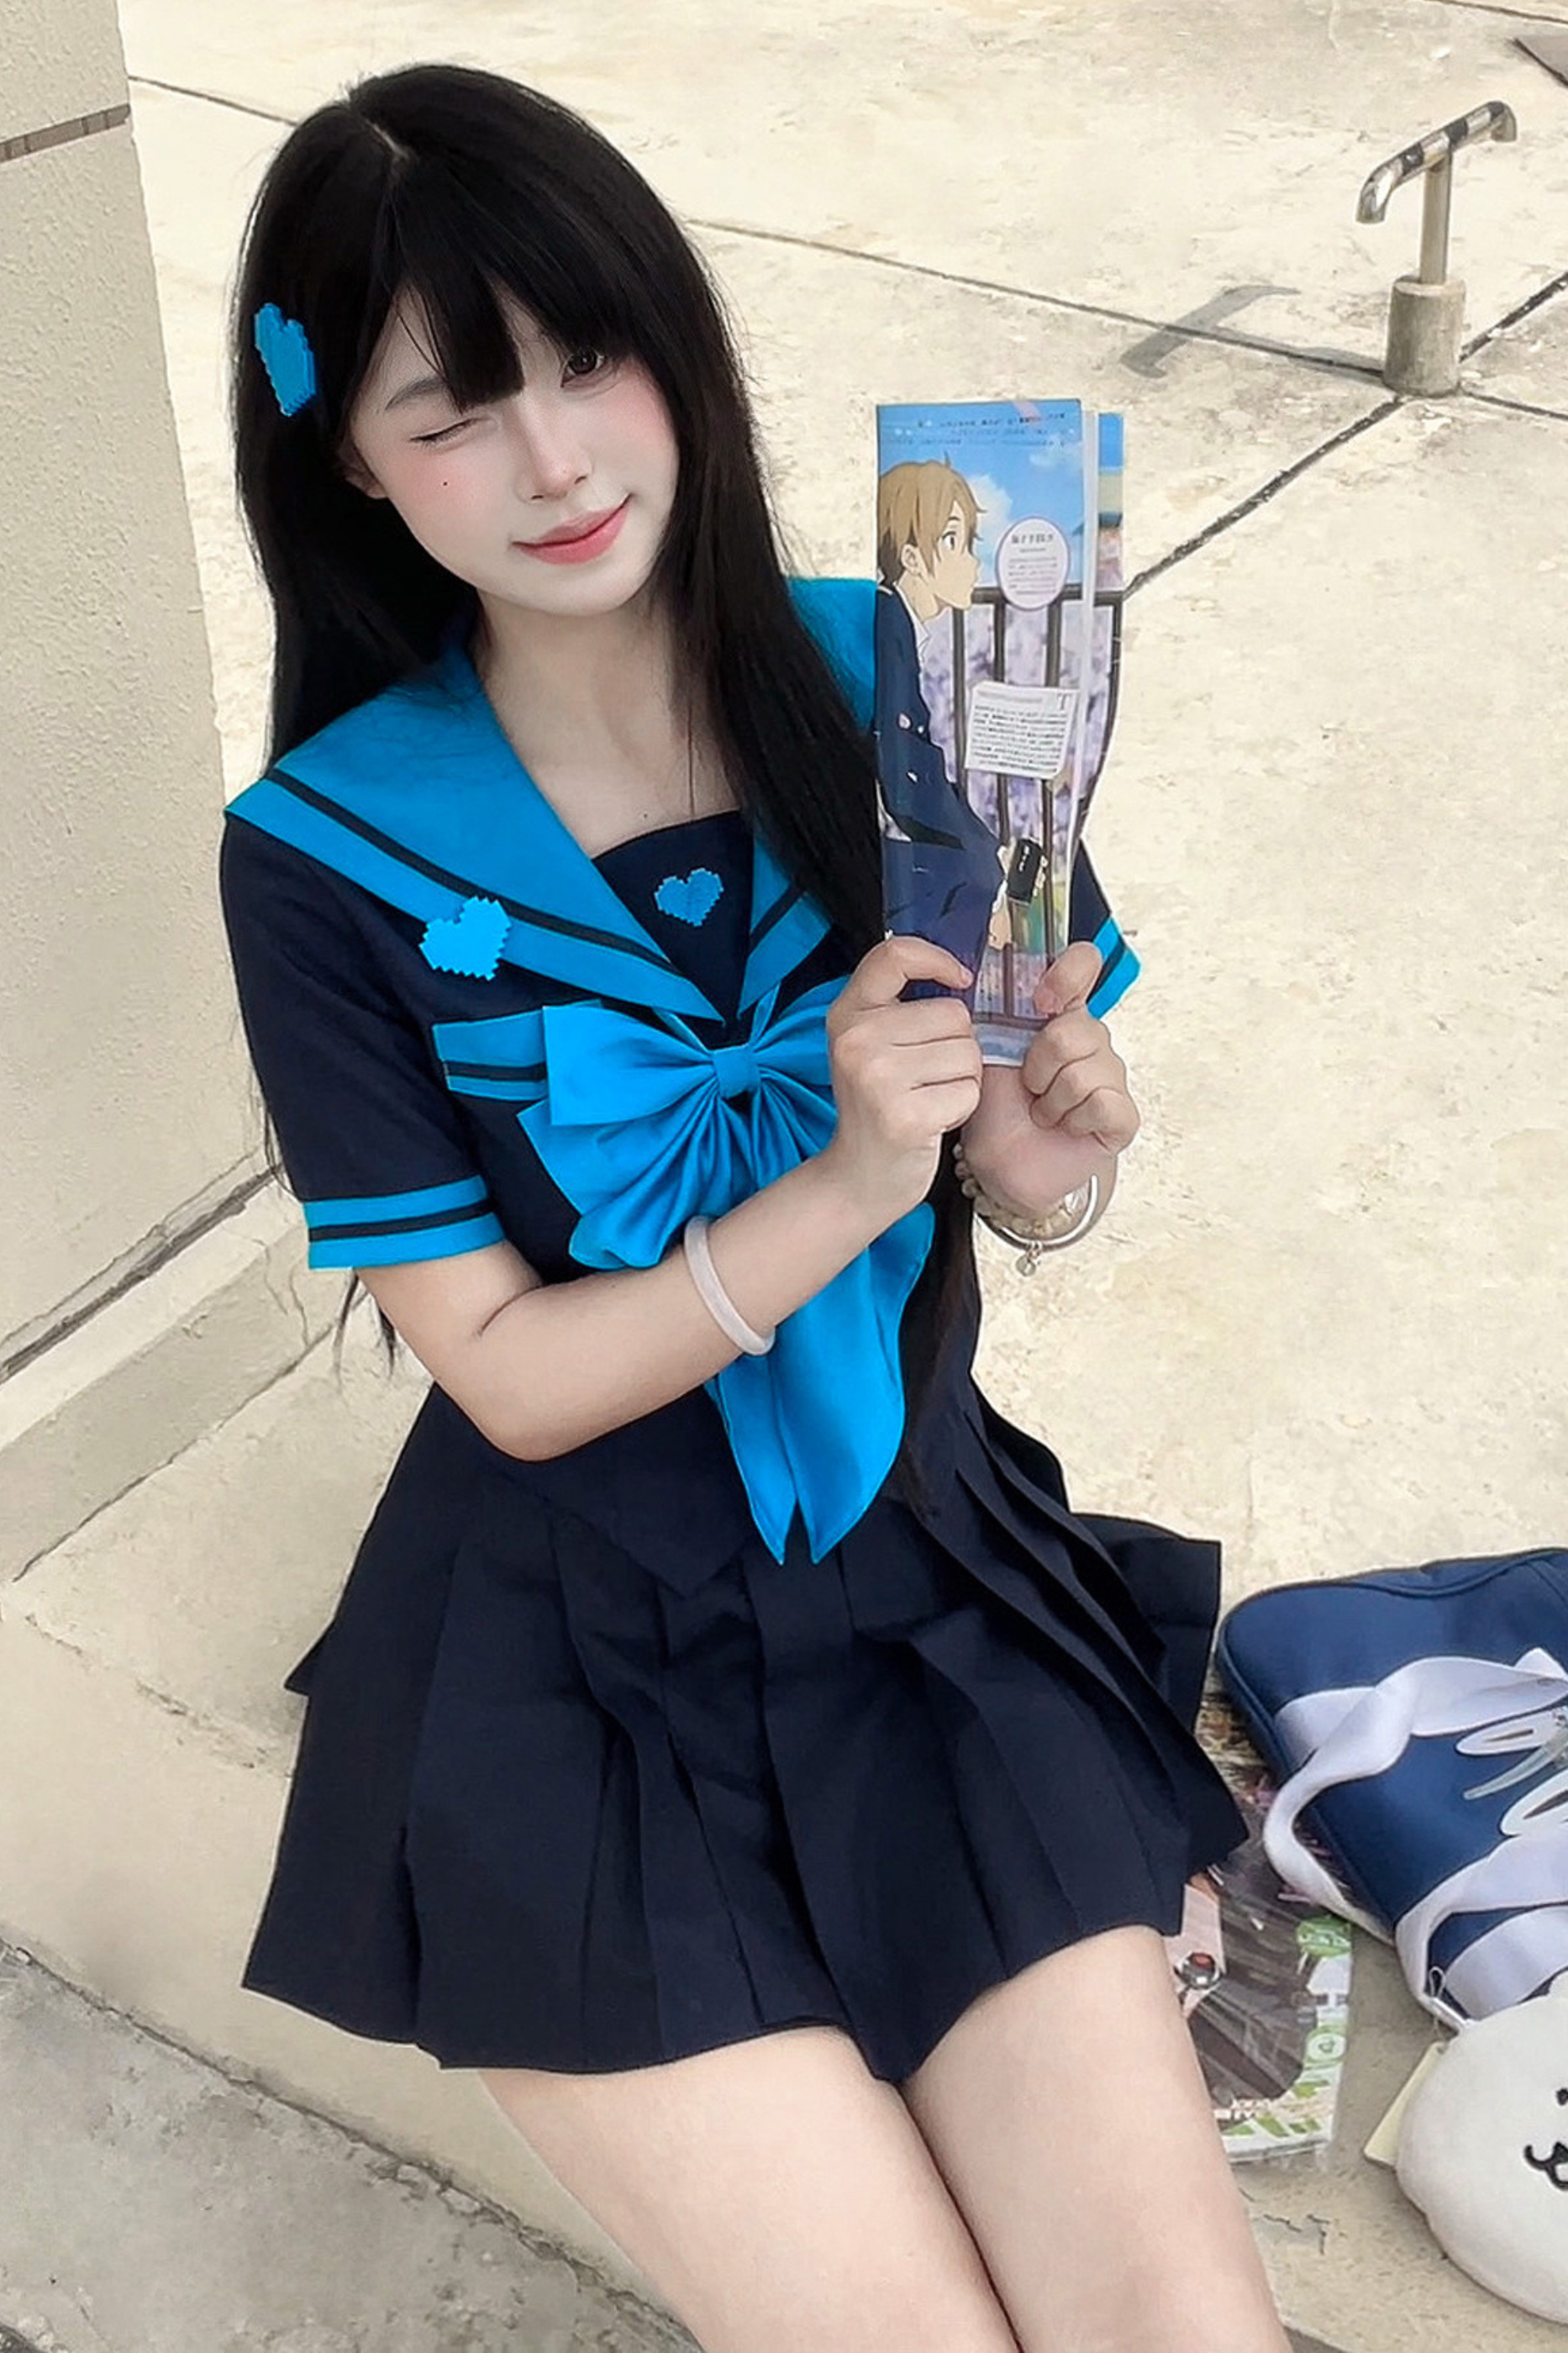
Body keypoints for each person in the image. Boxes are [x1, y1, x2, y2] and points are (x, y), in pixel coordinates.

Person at [216, 61, 1290, 2353]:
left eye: (589, 358)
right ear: (354, 458)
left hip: (926, 1586)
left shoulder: (906, 665)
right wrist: (837, 1179)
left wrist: (1041, 1163)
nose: (555, 461)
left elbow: (1005, 1167)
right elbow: (513, 1382)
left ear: (675, 344)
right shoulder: (323, 855)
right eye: (453, 409)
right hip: (570, 1662)